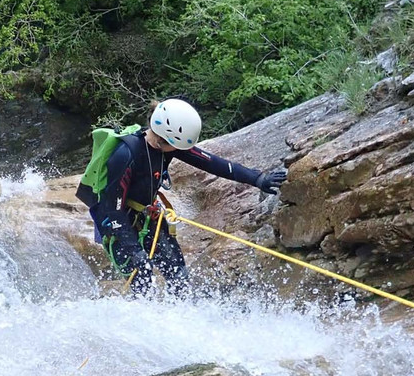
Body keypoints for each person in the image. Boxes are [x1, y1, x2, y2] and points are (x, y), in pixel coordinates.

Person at [89, 98, 287, 295]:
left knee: (178, 275)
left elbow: (212, 163)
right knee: (142, 277)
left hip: (147, 218)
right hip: (116, 223)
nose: (180, 151)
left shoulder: (167, 145)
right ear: (162, 139)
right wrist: (134, 250)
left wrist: (258, 178)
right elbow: (111, 210)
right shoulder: (126, 154)